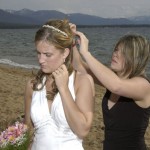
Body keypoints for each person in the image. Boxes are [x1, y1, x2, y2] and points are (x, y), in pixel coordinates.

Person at [71, 24, 150, 150]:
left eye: (123, 53)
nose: (115, 54)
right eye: (116, 50)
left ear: (136, 58)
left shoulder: (144, 85)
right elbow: (78, 66)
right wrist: (73, 42)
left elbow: (116, 86)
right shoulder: (111, 78)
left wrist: (86, 53)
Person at [24, 19, 95, 150]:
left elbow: (82, 130)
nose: (41, 60)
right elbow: (28, 131)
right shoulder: (32, 85)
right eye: (38, 53)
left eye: (47, 54)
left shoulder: (82, 81)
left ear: (65, 53)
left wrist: (63, 88)